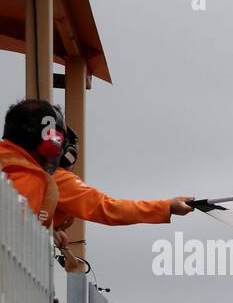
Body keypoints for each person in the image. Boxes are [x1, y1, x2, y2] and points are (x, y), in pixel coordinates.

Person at [1, 99, 192, 235]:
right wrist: (167, 206)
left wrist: (49, 235)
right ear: (53, 141)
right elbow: (107, 209)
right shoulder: (48, 180)